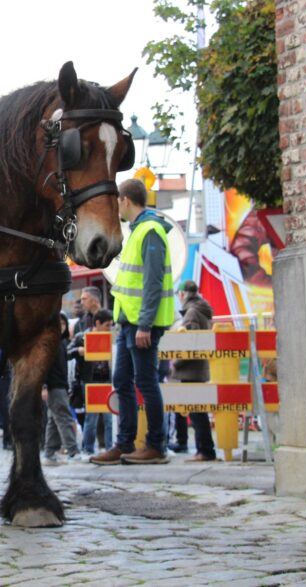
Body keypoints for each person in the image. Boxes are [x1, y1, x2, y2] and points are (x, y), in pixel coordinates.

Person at [90, 179, 175, 466]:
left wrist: (145, 325)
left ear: (125, 200)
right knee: (123, 382)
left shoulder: (149, 231)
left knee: (146, 383)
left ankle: (155, 445)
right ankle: (124, 443)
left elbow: (152, 283)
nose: (116, 206)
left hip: (141, 325)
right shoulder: (138, 230)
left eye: (117, 201)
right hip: (129, 322)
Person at [170, 279, 217, 462]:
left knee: (197, 413)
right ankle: (205, 449)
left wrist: (176, 363)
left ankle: (204, 451)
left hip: (190, 369)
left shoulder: (191, 313)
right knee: (199, 411)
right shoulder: (202, 310)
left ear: (182, 294)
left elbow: (190, 344)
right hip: (200, 367)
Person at [71, 308, 114, 456]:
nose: (109, 329)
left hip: (107, 380)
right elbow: (67, 352)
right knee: (92, 417)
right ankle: (88, 449)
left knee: (109, 418)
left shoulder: (111, 338)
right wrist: (78, 350)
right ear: (98, 323)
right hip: (90, 381)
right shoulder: (83, 337)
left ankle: (109, 449)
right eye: (107, 325)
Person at [42, 312, 79, 464]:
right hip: (54, 386)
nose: (61, 326)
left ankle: (49, 453)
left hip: (59, 386)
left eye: (63, 323)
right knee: (64, 418)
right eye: (58, 323)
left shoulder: (60, 342)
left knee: (53, 420)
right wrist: (44, 386)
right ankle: (73, 452)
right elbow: (43, 367)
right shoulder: (49, 343)